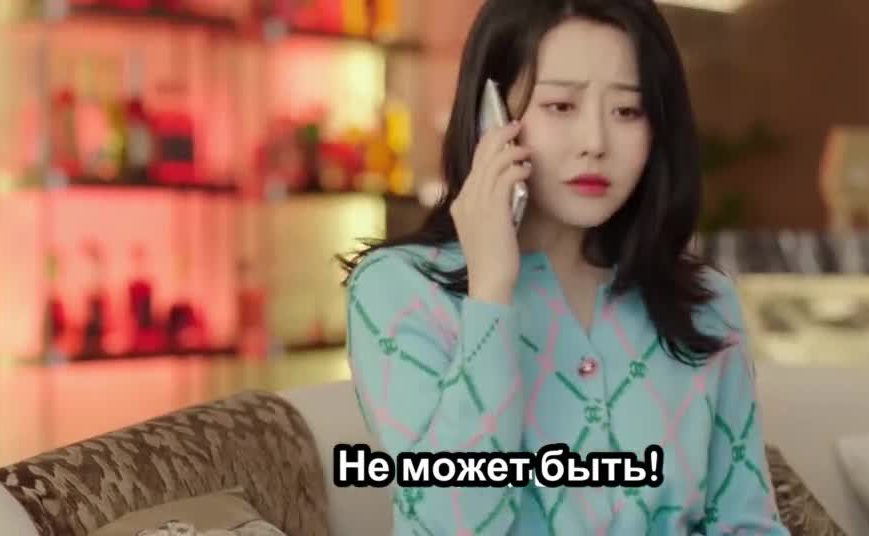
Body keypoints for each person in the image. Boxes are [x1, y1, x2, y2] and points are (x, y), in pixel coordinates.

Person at [338, 0, 789, 534]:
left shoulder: (704, 301)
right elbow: (452, 525)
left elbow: (746, 523)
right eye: (560, 106)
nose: (595, 143)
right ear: (490, 117)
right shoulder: (398, 289)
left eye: (628, 111)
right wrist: (490, 290)